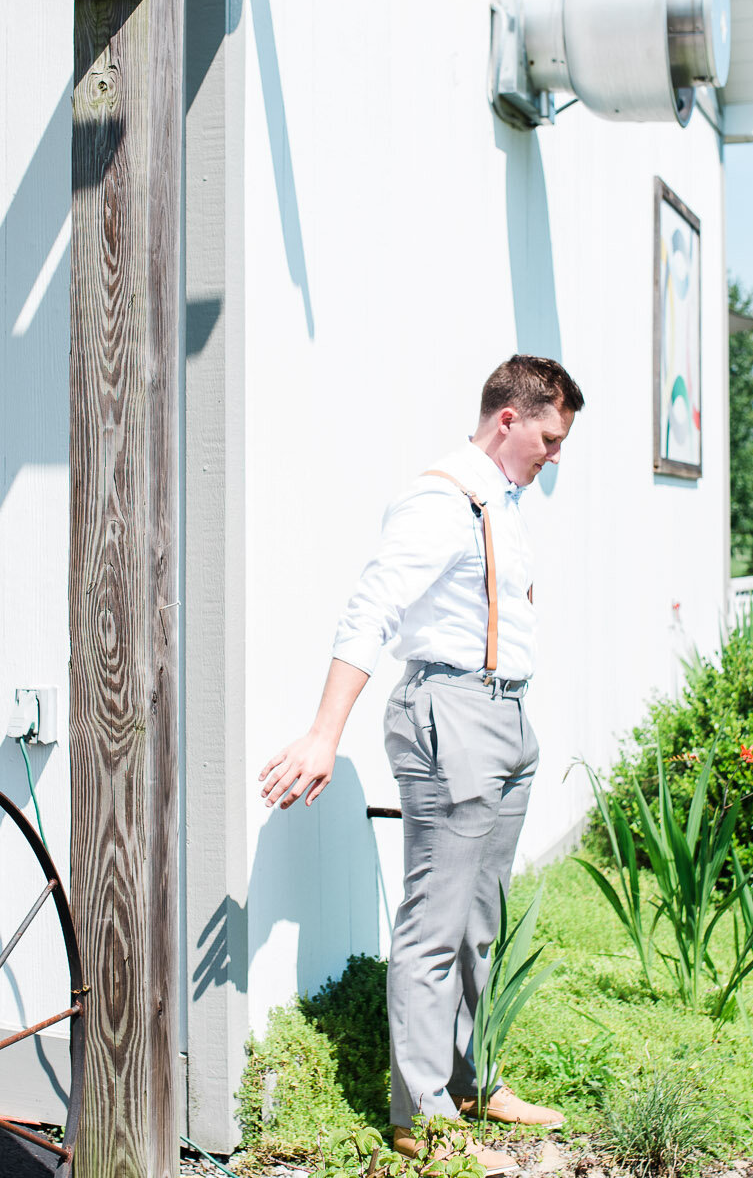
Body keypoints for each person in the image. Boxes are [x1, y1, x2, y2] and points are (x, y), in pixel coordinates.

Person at [258, 355, 584, 1174]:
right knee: (435, 925)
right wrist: (324, 732)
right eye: (549, 436)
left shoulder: (504, 505)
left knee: (481, 921)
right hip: (450, 713)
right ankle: (424, 1116)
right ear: (508, 419)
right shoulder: (442, 497)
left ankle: (471, 1082)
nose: (555, 454)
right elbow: (373, 608)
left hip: (505, 716)